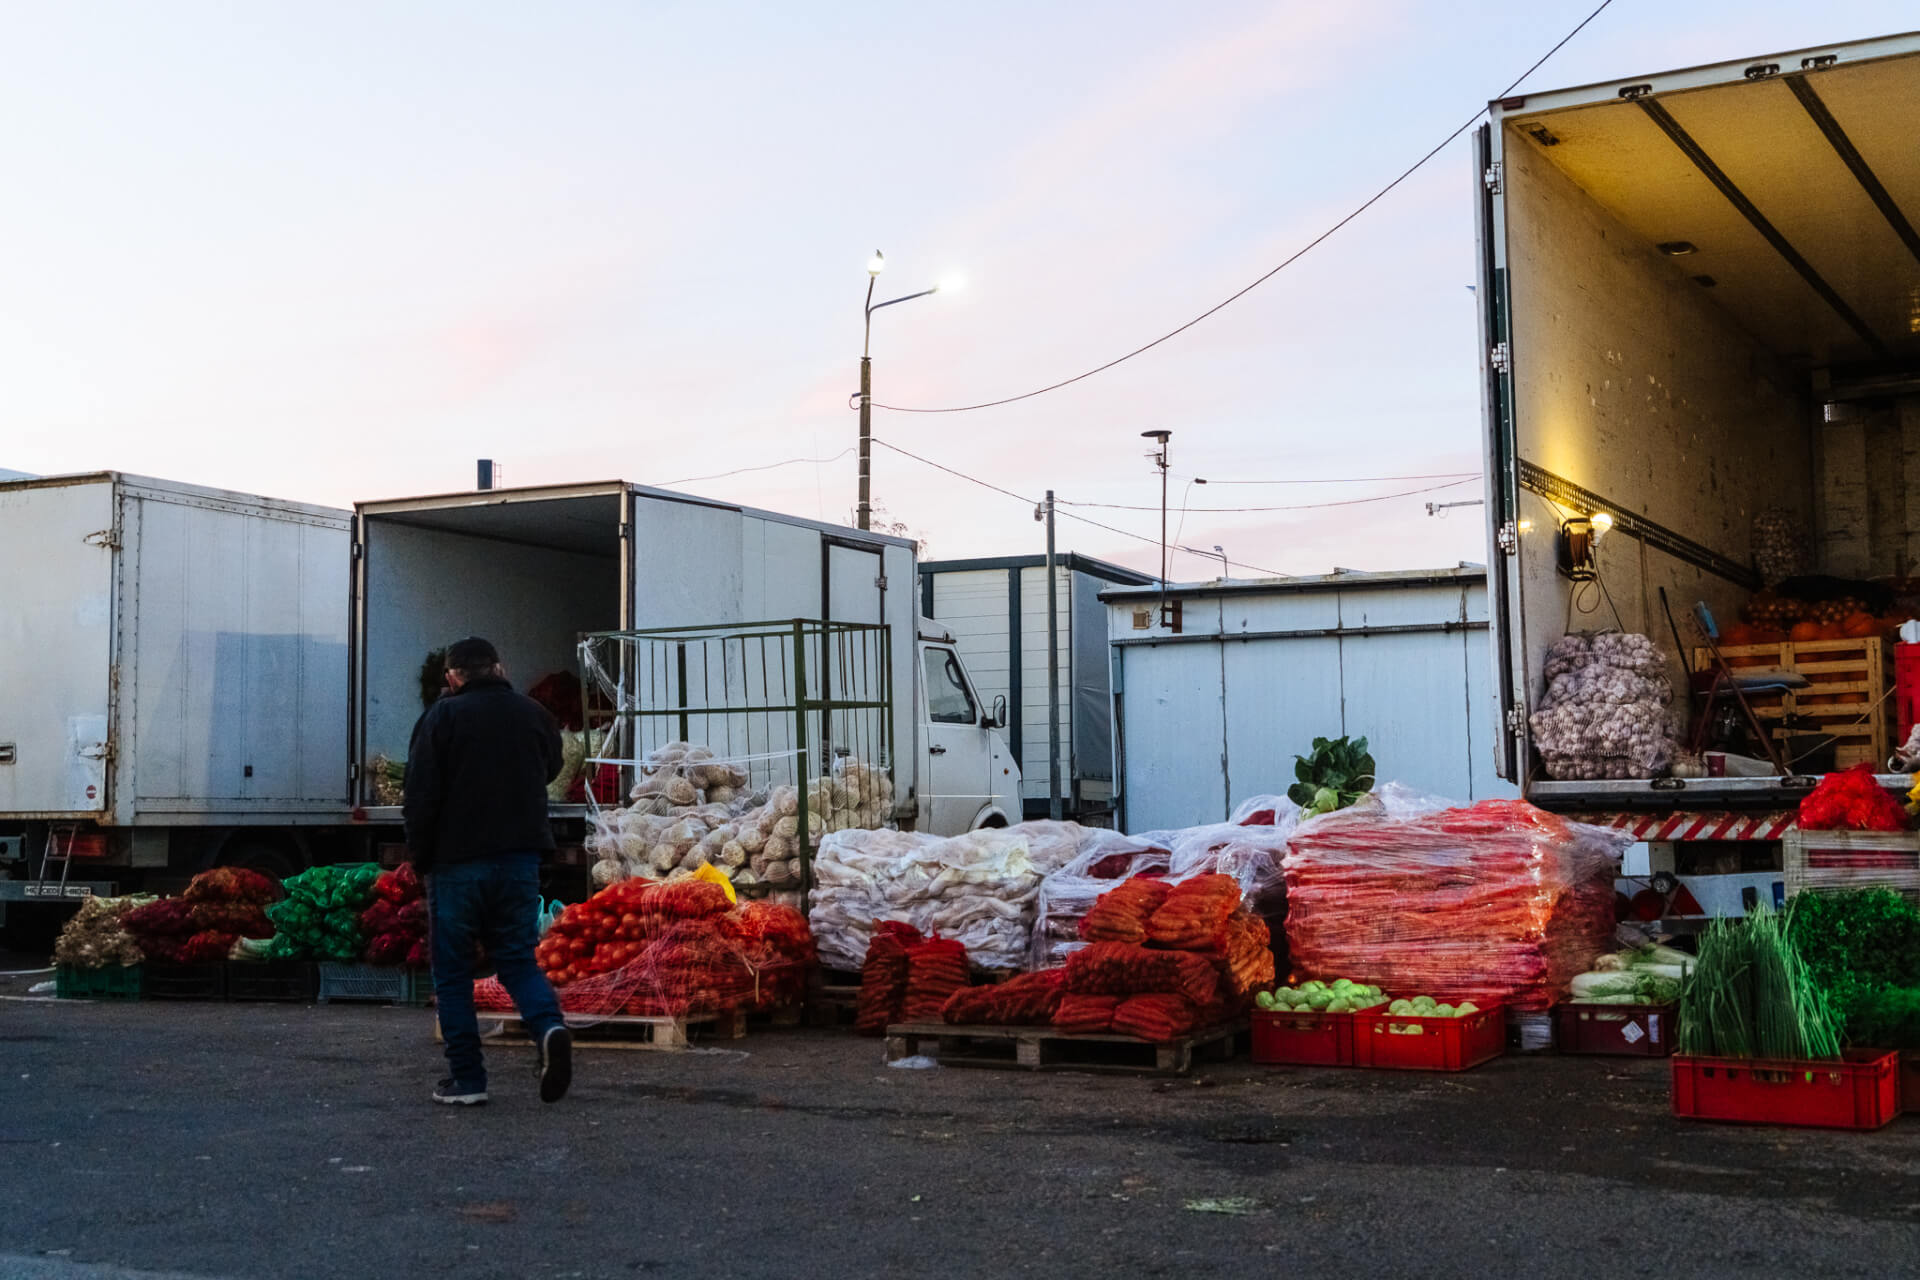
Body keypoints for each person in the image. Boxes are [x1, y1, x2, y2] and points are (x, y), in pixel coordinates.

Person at [404, 635, 572, 1106]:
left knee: (453, 972)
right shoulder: (533, 714)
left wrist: (420, 859)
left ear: (452, 677)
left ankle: (468, 1080)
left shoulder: (440, 718)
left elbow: (420, 798)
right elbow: (550, 767)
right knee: (517, 959)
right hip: (519, 859)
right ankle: (550, 1026)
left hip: (456, 863)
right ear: (500, 668)